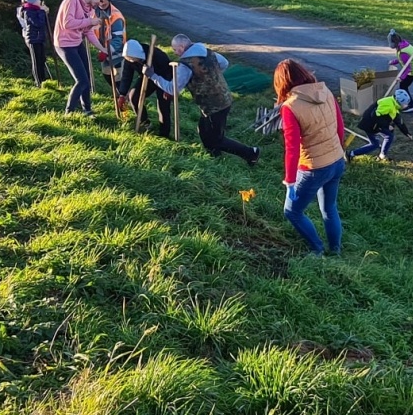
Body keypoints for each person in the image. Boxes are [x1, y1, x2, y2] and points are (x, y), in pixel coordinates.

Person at [274, 58, 347, 255]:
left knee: (292, 211)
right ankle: (336, 250)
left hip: (313, 168)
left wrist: (290, 181)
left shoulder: (290, 107)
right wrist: (338, 151)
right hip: (337, 161)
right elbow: (340, 128)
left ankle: (317, 249)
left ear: (282, 82)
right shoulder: (326, 92)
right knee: (329, 208)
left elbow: (292, 148)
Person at [158, 34, 260, 165]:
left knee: (216, 139)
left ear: (182, 47)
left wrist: (153, 76)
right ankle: (215, 156)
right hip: (223, 98)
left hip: (214, 105)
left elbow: (172, 89)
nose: (175, 52)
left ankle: (251, 153)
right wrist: (212, 77)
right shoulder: (207, 52)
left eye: (175, 49)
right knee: (204, 130)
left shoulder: (186, 65)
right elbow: (224, 63)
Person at [54, 0, 107, 115]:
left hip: (77, 43)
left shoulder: (90, 10)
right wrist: (89, 21)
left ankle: (87, 110)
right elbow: (68, 23)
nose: (99, 5)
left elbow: (88, 32)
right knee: (81, 80)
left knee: (87, 78)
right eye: (100, 0)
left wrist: (103, 49)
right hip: (64, 44)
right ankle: (69, 113)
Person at [118, 37, 173, 135]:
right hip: (147, 78)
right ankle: (145, 122)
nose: (131, 61)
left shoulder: (156, 55)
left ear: (137, 55)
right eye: (128, 59)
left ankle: (164, 133)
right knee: (134, 97)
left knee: (163, 105)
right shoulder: (129, 57)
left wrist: (168, 89)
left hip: (163, 78)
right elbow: (127, 75)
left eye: (132, 59)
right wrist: (122, 93)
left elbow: (169, 71)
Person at [347, 88, 412, 162]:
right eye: (405, 104)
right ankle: (352, 154)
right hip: (370, 124)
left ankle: (353, 154)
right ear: (399, 102)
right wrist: (387, 126)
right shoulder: (388, 104)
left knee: (383, 139)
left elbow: (399, 121)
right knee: (382, 140)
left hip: (375, 124)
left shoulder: (394, 104)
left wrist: (407, 133)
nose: (406, 106)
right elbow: (374, 115)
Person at [94, 0, 128, 110]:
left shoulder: (116, 17)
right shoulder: (95, 11)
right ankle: (118, 96)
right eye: (100, 1)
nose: (102, 3)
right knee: (107, 75)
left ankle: (123, 104)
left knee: (118, 79)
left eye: (104, 1)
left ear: (109, 0)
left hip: (116, 53)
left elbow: (118, 40)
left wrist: (107, 52)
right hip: (104, 51)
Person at [16, 0, 50, 84]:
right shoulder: (28, 11)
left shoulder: (35, 10)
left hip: (39, 39)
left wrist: (42, 12)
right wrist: (42, 12)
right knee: (36, 61)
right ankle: (38, 81)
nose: (40, 1)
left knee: (42, 59)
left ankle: (43, 80)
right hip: (33, 39)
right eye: (38, 0)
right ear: (33, 1)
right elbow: (38, 23)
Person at [387, 29, 413, 111]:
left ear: (394, 43)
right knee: (403, 85)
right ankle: (405, 102)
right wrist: (394, 62)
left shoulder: (403, 51)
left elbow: (408, 67)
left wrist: (401, 77)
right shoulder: (402, 45)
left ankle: (412, 106)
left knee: (403, 85)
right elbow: (403, 60)